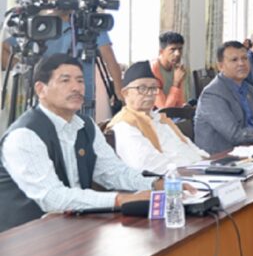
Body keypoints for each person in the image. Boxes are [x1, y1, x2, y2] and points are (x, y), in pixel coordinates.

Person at [0, 54, 160, 232]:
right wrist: (120, 199)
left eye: (80, 81)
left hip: (72, 227)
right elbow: (52, 198)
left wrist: (157, 184)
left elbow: (113, 172)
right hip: (24, 236)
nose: (76, 87)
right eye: (65, 80)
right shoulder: (24, 135)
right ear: (41, 89)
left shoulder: (86, 125)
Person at [2, 0, 124, 118]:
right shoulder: (37, 24)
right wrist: (23, 70)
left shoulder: (87, 21)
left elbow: (110, 59)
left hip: (83, 102)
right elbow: (3, 49)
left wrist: (119, 93)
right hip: (47, 102)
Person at [109, 61, 208, 174]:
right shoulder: (125, 125)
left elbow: (188, 145)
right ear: (125, 93)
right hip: (173, 179)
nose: (149, 93)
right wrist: (193, 169)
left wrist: (207, 162)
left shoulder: (159, 118)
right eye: (142, 88)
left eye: (153, 88)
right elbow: (148, 165)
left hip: (197, 171)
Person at [151, 31, 192, 109]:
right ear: (161, 52)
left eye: (180, 49)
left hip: (173, 112)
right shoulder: (152, 71)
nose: (178, 54)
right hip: (154, 114)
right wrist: (176, 83)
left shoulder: (177, 68)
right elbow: (164, 110)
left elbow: (179, 103)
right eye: (172, 50)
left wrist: (184, 106)